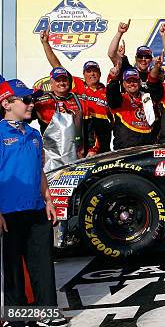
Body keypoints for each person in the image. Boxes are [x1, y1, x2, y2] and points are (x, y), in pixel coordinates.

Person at [0, 79, 67, 327]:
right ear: (6, 103)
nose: (31, 104)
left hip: (36, 209)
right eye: (26, 100)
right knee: (13, 267)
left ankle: (47, 313)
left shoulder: (34, 134)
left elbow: (39, 171)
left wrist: (48, 199)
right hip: (8, 213)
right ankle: (16, 319)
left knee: (42, 263)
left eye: (32, 99)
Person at [39, 30, 111, 154]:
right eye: (89, 71)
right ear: (84, 74)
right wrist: (45, 43)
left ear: (100, 74)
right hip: (83, 137)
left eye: (95, 71)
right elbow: (57, 67)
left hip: (103, 141)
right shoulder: (78, 85)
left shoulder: (108, 92)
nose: (92, 73)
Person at [34, 67, 91, 171]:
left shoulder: (80, 100)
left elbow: (90, 128)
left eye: (64, 80)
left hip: (78, 155)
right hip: (53, 159)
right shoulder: (42, 102)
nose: (62, 83)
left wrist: (92, 149)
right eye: (58, 80)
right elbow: (23, 117)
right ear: (51, 82)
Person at [107, 19, 165, 87]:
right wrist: (119, 33)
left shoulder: (155, 73)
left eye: (147, 57)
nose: (143, 59)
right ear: (136, 58)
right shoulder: (127, 69)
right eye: (140, 56)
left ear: (151, 59)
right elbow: (111, 54)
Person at [106, 68, 154, 149]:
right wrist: (114, 79)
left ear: (139, 82)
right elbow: (111, 93)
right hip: (125, 150)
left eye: (134, 81)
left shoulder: (147, 98)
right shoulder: (119, 99)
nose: (132, 84)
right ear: (124, 84)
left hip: (146, 148)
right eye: (128, 81)